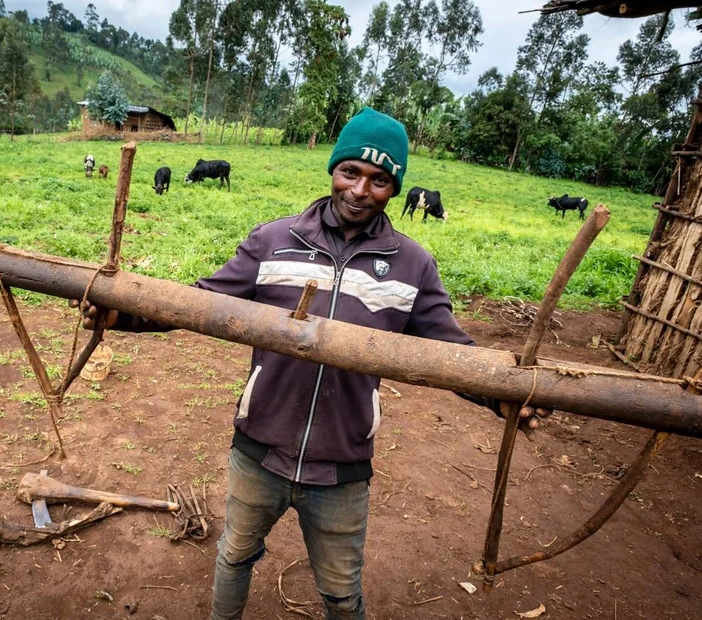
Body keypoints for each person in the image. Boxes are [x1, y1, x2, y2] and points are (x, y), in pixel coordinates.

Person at [75, 107, 549, 620]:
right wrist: (122, 314)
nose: (361, 191)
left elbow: (452, 353)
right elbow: (199, 303)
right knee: (234, 557)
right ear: (333, 169)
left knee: (342, 590)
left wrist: (500, 392)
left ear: (395, 188)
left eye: (380, 180)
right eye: (351, 172)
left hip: (342, 464)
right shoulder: (273, 241)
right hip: (260, 448)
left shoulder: (413, 266)